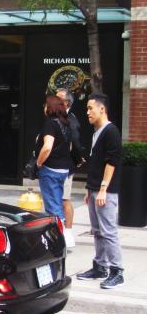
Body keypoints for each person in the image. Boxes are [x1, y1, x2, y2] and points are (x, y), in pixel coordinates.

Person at [76, 93, 124, 289]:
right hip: (95, 189)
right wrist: (90, 189)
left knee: (108, 231)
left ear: (102, 109)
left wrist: (103, 188)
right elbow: (96, 164)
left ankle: (117, 271)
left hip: (106, 191)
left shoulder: (111, 132)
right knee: (97, 231)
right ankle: (100, 266)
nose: (87, 112)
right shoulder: (97, 131)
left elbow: (111, 163)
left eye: (90, 108)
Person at [35, 95, 73, 222]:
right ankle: (62, 233)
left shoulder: (50, 124)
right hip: (63, 169)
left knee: (53, 209)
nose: (44, 108)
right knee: (57, 202)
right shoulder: (65, 124)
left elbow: (47, 147)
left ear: (50, 107)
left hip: (50, 170)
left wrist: (39, 163)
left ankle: (58, 236)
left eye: (45, 105)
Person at [56, 88, 85, 248]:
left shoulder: (69, 118)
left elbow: (75, 140)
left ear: (66, 102)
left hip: (65, 166)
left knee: (64, 199)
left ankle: (68, 232)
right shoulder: (59, 117)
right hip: (58, 165)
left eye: (59, 98)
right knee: (58, 199)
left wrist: (78, 158)